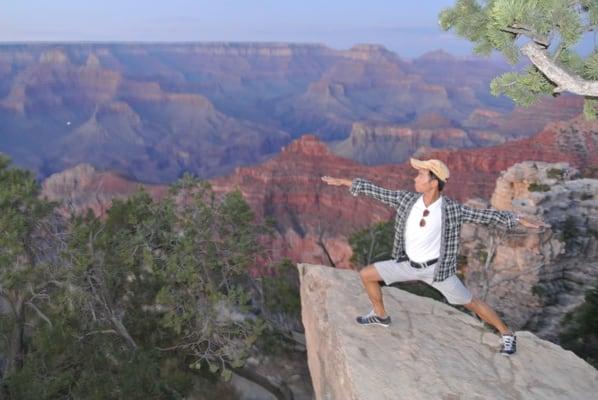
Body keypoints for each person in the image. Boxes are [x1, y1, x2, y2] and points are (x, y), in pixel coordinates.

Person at [321, 158, 547, 355]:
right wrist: (344, 182)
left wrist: (518, 219)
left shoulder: (451, 209)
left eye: (421, 174)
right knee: (367, 274)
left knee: (471, 303)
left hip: (436, 271)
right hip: (407, 265)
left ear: (434, 182)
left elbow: (486, 215)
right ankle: (380, 315)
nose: (415, 178)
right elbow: (377, 191)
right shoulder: (407, 200)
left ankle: (507, 333)